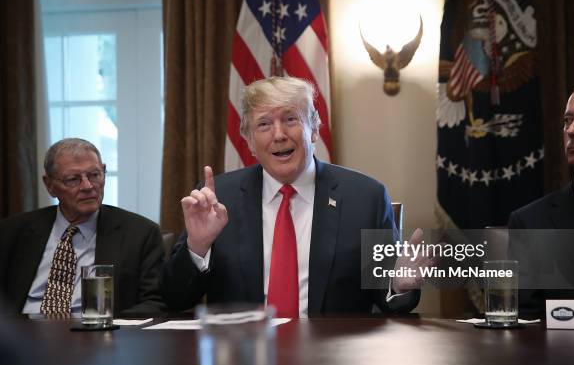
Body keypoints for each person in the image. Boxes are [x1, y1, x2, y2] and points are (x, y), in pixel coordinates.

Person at [160, 76, 420, 317]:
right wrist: (198, 247)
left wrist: (397, 285)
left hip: (334, 357)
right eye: (263, 124)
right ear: (248, 140)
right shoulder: (219, 199)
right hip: (245, 357)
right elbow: (175, 299)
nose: (279, 134)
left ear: (314, 128)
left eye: (290, 119)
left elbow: (388, 298)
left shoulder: (365, 198)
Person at [0, 138, 165, 316]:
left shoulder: (140, 233)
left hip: (97, 334)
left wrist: (110, 326)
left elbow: (155, 302)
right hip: (22, 333)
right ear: (50, 185)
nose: (87, 186)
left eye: (95, 175)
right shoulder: (12, 232)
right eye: (73, 179)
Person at [509, 79, 574, 316]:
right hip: (561, 352)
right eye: (567, 121)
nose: (572, 131)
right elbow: (523, 323)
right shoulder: (531, 222)